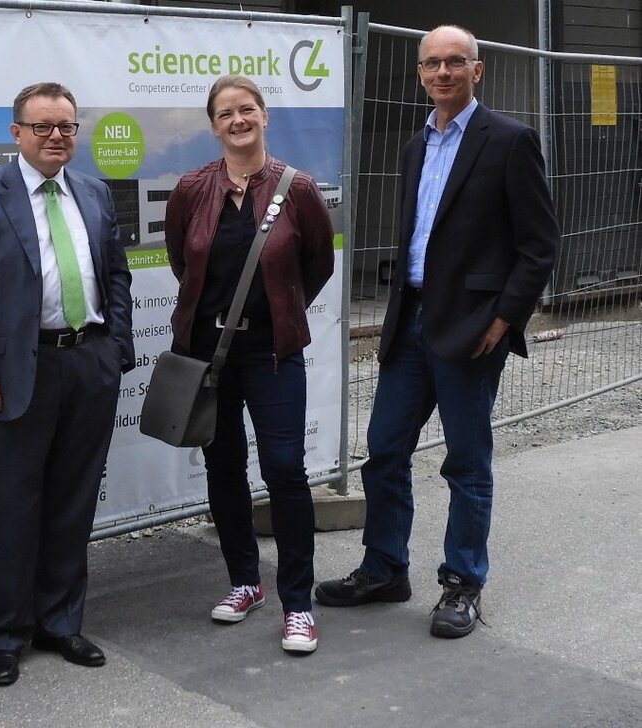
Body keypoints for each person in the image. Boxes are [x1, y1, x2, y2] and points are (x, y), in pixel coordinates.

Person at [315, 26, 559, 638]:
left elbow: (539, 246)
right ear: (421, 74)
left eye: (456, 62)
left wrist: (503, 320)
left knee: (467, 463)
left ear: (478, 72)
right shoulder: (414, 146)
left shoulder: (509, 141)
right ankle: (385, 568)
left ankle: (462, 583)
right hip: (411, 321)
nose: (443, 72)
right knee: (385, 450)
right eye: (432, 64)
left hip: (472, 329)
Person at [0, 82, 134, 687]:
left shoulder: (95, 191)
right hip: (15, 374)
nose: (57, 136)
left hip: (88, 366)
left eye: (67, 126)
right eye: (44, 126)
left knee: (73, 504)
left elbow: (117, 276)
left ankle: (60, 622)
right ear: (16, 133)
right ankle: (7, 635)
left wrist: (116, 351)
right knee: (10, 509)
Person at [164, 75, 334, 654]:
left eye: (247, 109)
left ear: (264, 116)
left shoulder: (299, 187)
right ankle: (244, 582)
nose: (237, 120)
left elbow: (317, 264)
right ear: (213, 125)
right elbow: (180, 260)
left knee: (285, 470)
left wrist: (282, 311)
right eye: (225, 113)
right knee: (224, 465)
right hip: (210, 357)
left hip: (273, 352)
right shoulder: (191, 189)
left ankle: (299, 604)